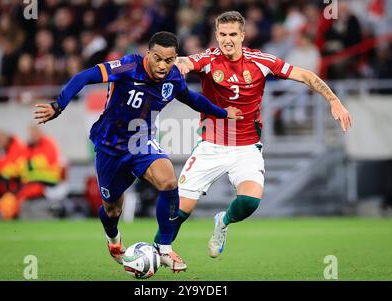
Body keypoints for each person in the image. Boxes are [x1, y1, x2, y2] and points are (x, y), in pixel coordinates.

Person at [33, 31, 243, 272]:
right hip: (110, 146)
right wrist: (58, 105)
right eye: (158, 59)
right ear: (148, 54)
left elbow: (191, 98)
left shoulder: (173, 78)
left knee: (168, 182)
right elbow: (84, 76)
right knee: (112, 209)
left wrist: (223, 113)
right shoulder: (127, 66)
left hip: (142, 142)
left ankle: (164, 248)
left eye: (169, 60)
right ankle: (113, 238)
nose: (163, 66)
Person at [154, 11, 352, 258]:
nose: (227, 40)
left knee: (249, 202)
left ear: (242, 36)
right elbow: (186, 61)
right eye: (223, 34)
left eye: (233, 35)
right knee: (178, 213)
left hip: (247, 148)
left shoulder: (261, 61)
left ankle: (222, 223)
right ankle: (156, 254)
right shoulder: (209, 59)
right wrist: (180, 64)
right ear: (216, 35)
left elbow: (305, 75)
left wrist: (334, 101)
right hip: (211, 146)